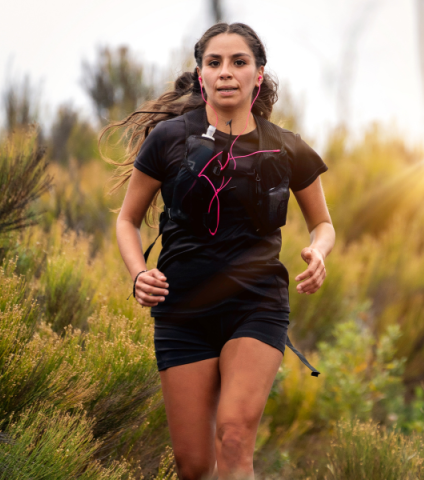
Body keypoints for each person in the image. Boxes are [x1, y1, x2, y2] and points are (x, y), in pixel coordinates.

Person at [104, 22, 334, 480]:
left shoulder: (287, 147)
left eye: (239, 62)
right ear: (201, 74)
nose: (226, 72)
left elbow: (322, 223)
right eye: (215, 63)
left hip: (256, 304)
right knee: (192, 465)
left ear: (259, 75)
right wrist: (137, 273)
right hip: (182, 312)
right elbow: (126, 220)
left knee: (233, 436)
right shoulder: (168, 138)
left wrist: (318, 251)